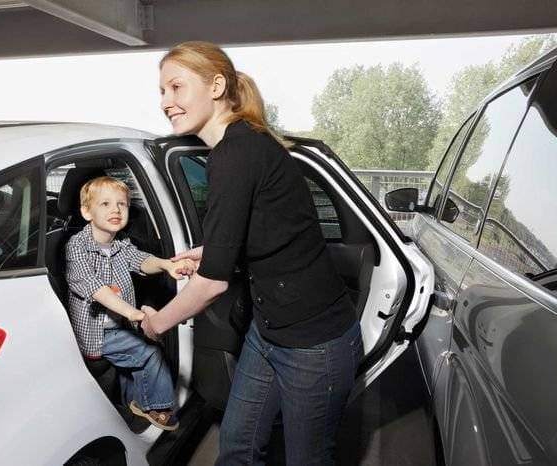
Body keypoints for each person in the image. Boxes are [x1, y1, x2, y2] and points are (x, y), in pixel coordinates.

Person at [139, 41, 363, 464]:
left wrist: (158, 323)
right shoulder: (243, 146)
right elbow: (268, 231)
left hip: (313, 345)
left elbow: (210, 287)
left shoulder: (235, 154)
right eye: (162, 92)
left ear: (217, 85)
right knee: (238, 446)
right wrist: (210, 252)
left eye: (176, 87)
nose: (166, 102)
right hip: (270, 331)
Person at [65, 175, 195, 431]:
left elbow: (141, 260)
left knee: (137, 356)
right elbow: (96, 290)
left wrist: (166, 264)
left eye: (121, 204)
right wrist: (135, 314)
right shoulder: (76, 246)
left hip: (117, 324)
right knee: (150, 354)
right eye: (105, 204)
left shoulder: (120, 243)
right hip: (95, 333)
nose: (115, 209)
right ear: (86, 211)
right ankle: (155, 406)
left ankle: (132, 402)